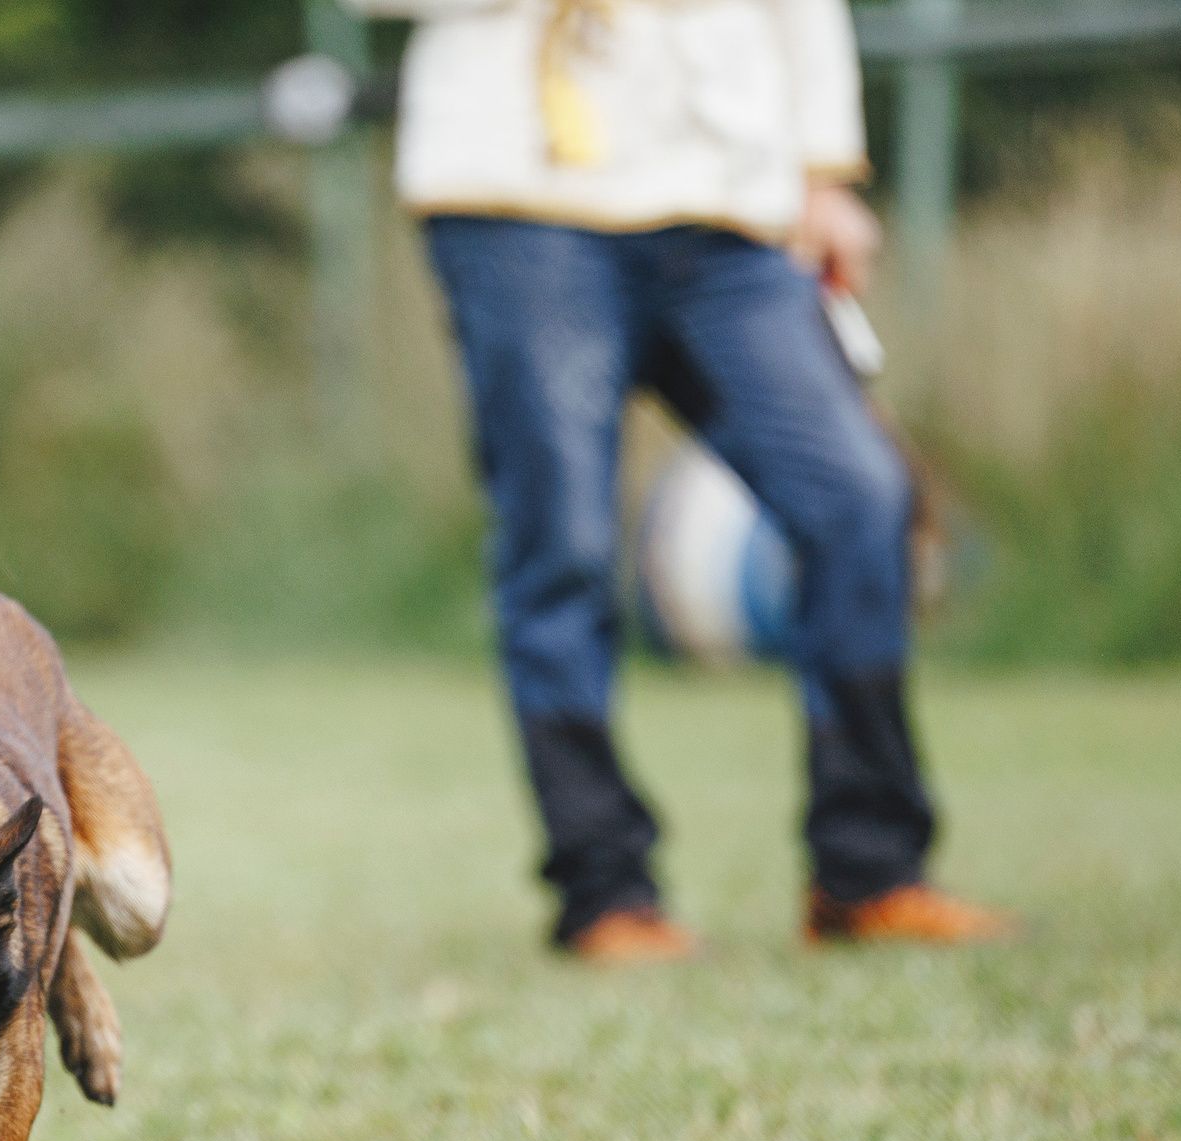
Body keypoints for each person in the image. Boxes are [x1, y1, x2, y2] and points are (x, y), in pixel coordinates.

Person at [347, 0, 1013, 959]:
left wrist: (823, 172)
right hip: (521, 200)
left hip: (726, 206)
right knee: (565, 545)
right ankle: (604, 889)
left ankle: (868, 870)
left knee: (860, 497)